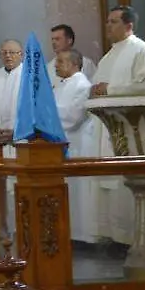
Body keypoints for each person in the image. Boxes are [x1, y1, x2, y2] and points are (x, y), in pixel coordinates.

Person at [54, 49, 100, 243]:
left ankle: (82, 236)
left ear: (74, 64)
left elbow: (74, 116)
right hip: (61, 143)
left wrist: (46, 111)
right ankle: (68, 233)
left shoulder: (82, 85)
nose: (56, 65)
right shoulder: (61, 85)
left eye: (61, 61)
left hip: (77, 144)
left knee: (79, 191)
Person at [91, 6, 145, 97]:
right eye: (107, 22)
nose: (108, 25)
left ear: (128, 26)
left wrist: (110, 89)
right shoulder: (106, 58)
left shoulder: (142, 49)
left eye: (113, 22)